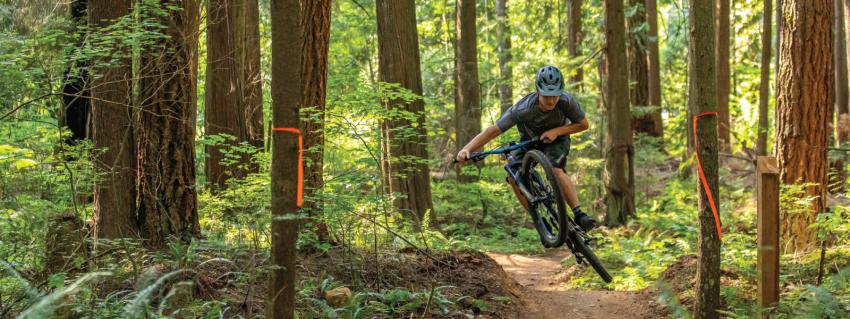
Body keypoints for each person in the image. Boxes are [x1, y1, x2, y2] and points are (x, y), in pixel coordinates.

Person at [455, 65, 596, 231]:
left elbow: (583, 124)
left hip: (558, 138)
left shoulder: (566, 102)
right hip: (529, 141)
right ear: (537, 91)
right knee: (513, 175)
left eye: (555, 96)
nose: (551, 101)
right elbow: (493, 130)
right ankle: (539, 220)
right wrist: (467, 149)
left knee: (556, 170)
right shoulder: (523, 108)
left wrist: (557, 131)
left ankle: (579, 214)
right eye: (546, 96)